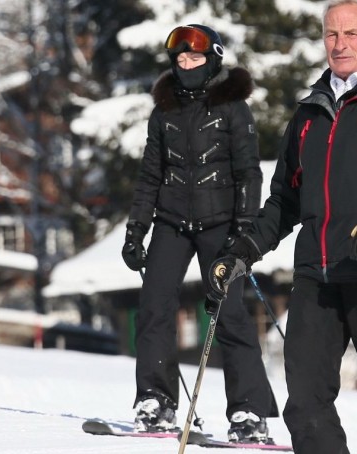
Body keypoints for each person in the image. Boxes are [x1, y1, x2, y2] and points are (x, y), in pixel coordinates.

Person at [206, 1, 357, 453]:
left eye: (351, 34)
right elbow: (284, 199)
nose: (340, 44)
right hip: (316, 271)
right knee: (305, 401)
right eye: (332, 35)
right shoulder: (309, 113)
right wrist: (242, 251)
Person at [121, 24, 278, 442]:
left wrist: (244, 230)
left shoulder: (233, 108)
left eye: (194, 58)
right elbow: (149, 176)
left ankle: (248, 412)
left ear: (214, 59)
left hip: (221, 225)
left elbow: (249, 173)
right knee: (154, 308)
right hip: (171, 224)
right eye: (181, 59)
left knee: (229, 315)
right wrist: (136, 229)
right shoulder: (164, 112)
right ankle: (156, 402)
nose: (186, 65)